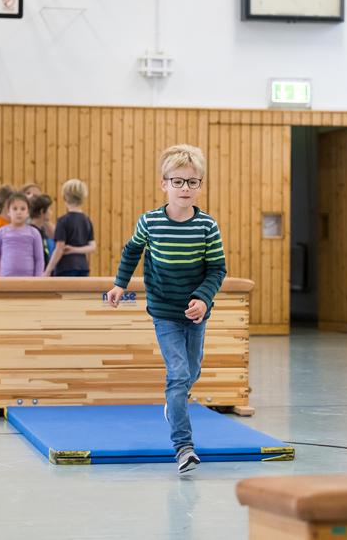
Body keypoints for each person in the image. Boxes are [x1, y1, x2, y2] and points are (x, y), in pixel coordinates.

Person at [105, 145, 226, 474]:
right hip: (164, 310)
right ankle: (184, 447)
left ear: (200, 186)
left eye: (192, 182)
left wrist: (203, 299)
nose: (185, 188)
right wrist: (120, 284)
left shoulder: (207, 227)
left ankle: (174, 404)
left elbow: (217, 269)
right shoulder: (150, 222)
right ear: (164, 184)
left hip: (196, 313)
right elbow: (132, 251)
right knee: (178, 375)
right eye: (178, 181)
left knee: (192, 372)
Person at [44, 179, 96, 277]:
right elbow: (92, 247)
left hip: (66, 267)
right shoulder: (86, 220)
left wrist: (48, 271)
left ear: (65, 197)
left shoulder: (63, 221)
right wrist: (75, 249)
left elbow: (59, 248)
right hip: (82, 267)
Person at [0, 192, 45, 276]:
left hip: (28, 279)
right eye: (15, 209)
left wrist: (38, 278)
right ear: (8, 212)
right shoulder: (1, 233)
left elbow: (39, 259)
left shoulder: (34, 233)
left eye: (23, 209)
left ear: (28, 212)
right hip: (6, 279)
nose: (19, 212)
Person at [28, 193, 54, 265]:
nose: (51, 212)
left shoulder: (42, 230)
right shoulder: (32, 232)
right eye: (49, 209)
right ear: (42, 211)